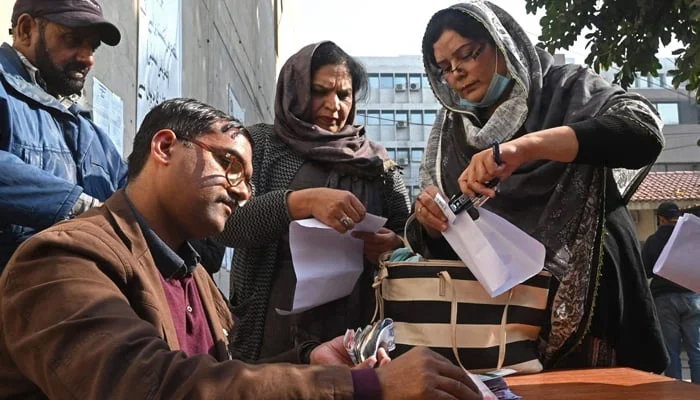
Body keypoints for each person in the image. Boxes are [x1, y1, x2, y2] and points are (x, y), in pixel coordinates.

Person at [0, 98, 482, 400]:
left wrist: (307, 363)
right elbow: (149, 386)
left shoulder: (197, 281)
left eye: (251, 181)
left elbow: (217, 378)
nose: (243, 191)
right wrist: (362, 387)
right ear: (165, 147)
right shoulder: (64, 259)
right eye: (230, 164)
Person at [409, 1, 668, 372]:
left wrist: (526, 148)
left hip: (598, 307)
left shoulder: (565, 88)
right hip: (501, 328)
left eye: (466, 55)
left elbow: (641, 130)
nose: (458, 74)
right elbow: (444, 240)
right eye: (445, 69)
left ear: (502, 44)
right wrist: (430, 219)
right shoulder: (451, 135)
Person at [216, 41, 411, 362]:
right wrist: (298, 203)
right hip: (272, 334)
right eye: (321, 91)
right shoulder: (260, 146)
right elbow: (225, 226)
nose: (334, 105)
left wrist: (393, 247)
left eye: (344, 95)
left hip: (352, 337)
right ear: (295, 91)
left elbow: (411, 242)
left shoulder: (378, 164)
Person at [0, 0, 127, 272]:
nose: (88, 58)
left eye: (92, 47)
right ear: (25, 30)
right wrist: (78, 206)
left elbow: (136, 198)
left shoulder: (92, 135)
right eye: (72, 39)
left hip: (70, 304)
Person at [643, 202, 700, 383]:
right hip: (692, 297)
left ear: (660, 218)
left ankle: (676, 393)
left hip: (664, 300)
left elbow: (645, 270)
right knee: (696, 349)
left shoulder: (653, 241)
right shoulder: (691, 237)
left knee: (672, 350)